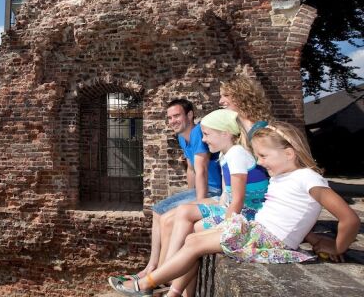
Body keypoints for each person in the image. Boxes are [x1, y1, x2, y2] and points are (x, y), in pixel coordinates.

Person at [109, 122, 361, 297]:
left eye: (263, 156)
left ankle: (145, 284)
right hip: (260, 231)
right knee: (194, 238)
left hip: (269, 239)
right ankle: (171, 289)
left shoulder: (308, 179)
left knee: (196, 245)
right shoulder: (283, 176)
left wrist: (338, 246)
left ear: (289, 153)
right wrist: (315, 237)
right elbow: (292, 216)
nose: (259, 162)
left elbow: (349, 218)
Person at [161, 109, 269, 267]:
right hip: (234, 208)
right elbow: (228, 194)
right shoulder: (225, 154)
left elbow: (238, 200)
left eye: (206, 134)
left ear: (225, 134)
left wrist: (225, 228)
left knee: (194, 229)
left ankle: (166, 273)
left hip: (249, 213)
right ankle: (166, 271)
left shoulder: (237, 154)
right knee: (183, 213)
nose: (203, 140)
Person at [131, 99, 222, 281]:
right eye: (170, 117)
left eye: (176, 116)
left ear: (189, 115)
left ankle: (157, 272)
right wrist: (190, 194)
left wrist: (199, 202)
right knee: (158, 211)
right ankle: (153, 266)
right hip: (202, 188)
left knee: (164, 217)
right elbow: (191, 169)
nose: (172, 121)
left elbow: (202, 170)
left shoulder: (198, 133)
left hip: (214, 190)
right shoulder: (182, 136)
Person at [219, 75, 273, 139]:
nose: (220, 101)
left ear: (242, 97)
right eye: (221, 96)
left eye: (226, 95)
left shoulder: (262, 129)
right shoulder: (228, 128)